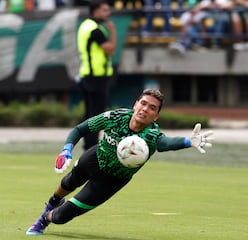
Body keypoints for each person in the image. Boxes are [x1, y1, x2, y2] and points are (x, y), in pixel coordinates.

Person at [26, 88, 215, 236]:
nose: (145, 109)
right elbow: (80, 130)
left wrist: (188, 142)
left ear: (156, 116)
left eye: (152, 108)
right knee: (68, 182)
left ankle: (46, 218)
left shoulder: (151, 135)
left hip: (110, 181)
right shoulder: (116, 117)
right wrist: (67, 149)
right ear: (135, 105)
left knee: (61, 217)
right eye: (143, 103)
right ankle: (52, 203)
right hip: (94, 158)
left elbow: (165, 143)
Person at [76, 0, 116, 151]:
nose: (108, 13)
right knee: (96, 116)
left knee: (89, 113)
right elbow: (111, 49)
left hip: (87, 74)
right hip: (96, 77)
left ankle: (87, 144)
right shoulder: (95, 29)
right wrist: (112, 30)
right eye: (105, 10)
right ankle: (91, 147)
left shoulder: (85, 25)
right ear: (96, 11)